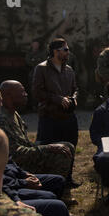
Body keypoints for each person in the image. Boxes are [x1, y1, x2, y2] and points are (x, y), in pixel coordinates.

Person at [0, 85, 67, 199]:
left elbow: (7, 159)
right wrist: (22, 182)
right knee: (50, 197)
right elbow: (12, 158)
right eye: (0, 100)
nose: (1, 104)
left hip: (15, 175)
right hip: (8, 188)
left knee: (58, 181)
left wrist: (24, 174)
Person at [0, 80, 77, 186]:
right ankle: (53, 189)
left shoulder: (13, 113)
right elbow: (16, 155)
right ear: (9, 96)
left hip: (25, 156)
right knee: (61, 154)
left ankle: (59, 185)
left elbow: (25, 143)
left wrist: (46, 146)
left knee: (67, 146)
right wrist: (48, 147)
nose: (26, 94)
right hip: (18, 165)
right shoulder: (2, 120)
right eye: (22, 92)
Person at [32, 38, 80, 177]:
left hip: (68, 117)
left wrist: (74, 99)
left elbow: (75, 89)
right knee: (50, 149)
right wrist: (57, 99)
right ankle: (51, 178)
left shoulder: (69, 70)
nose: (68, 52)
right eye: (65, 50)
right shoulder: (41, 69)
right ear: (55, 51)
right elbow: (37, 92)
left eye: (68, 50)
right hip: (50, 117)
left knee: (70, 148)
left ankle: (68, 178)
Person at [25, 40, 46, 110]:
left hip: (41, 73)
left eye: (37, 44)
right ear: (32, 45)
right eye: (34, 44)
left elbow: (43, 61)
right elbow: (28, 61)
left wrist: (34, 60)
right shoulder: (29, 53)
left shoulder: (42, 53)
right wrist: (36, 61)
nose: (35, 46)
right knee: (32, 90)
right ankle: (33, 105)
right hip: (32, 73)